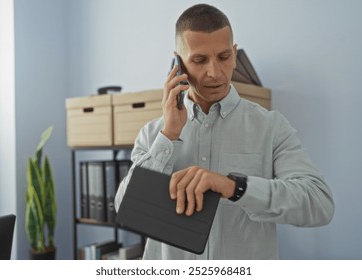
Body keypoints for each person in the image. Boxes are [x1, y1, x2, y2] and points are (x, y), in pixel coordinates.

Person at [115, 3, 334, 260]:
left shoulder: (271, 127)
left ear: (234, 53)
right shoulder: (153, 134)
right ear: (179, 63)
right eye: (199, 60)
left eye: (223, 57)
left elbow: (319, 204)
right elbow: (125, 207)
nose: (215, 73)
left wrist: (234, 187)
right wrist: (169, 135)